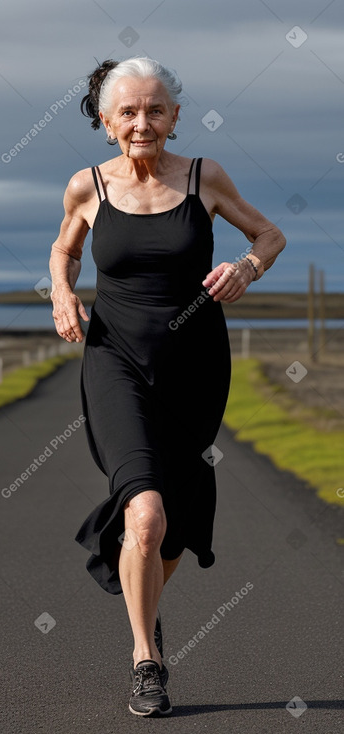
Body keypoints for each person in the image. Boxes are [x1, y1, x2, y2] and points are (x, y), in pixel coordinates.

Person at [49, 56, 286, 717]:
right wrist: (62, 294)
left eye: (155, 109)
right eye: (127, 111)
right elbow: (63, 249)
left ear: (175, 116)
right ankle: (145, 658)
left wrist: (245, 266)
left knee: (169, 528)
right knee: (146, 514)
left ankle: (136, 580)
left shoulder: (204, 177)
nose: (142, 122)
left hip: (195, 366)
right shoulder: (87, 186)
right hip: (114, 361)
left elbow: (268, 235)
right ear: (105, 122)